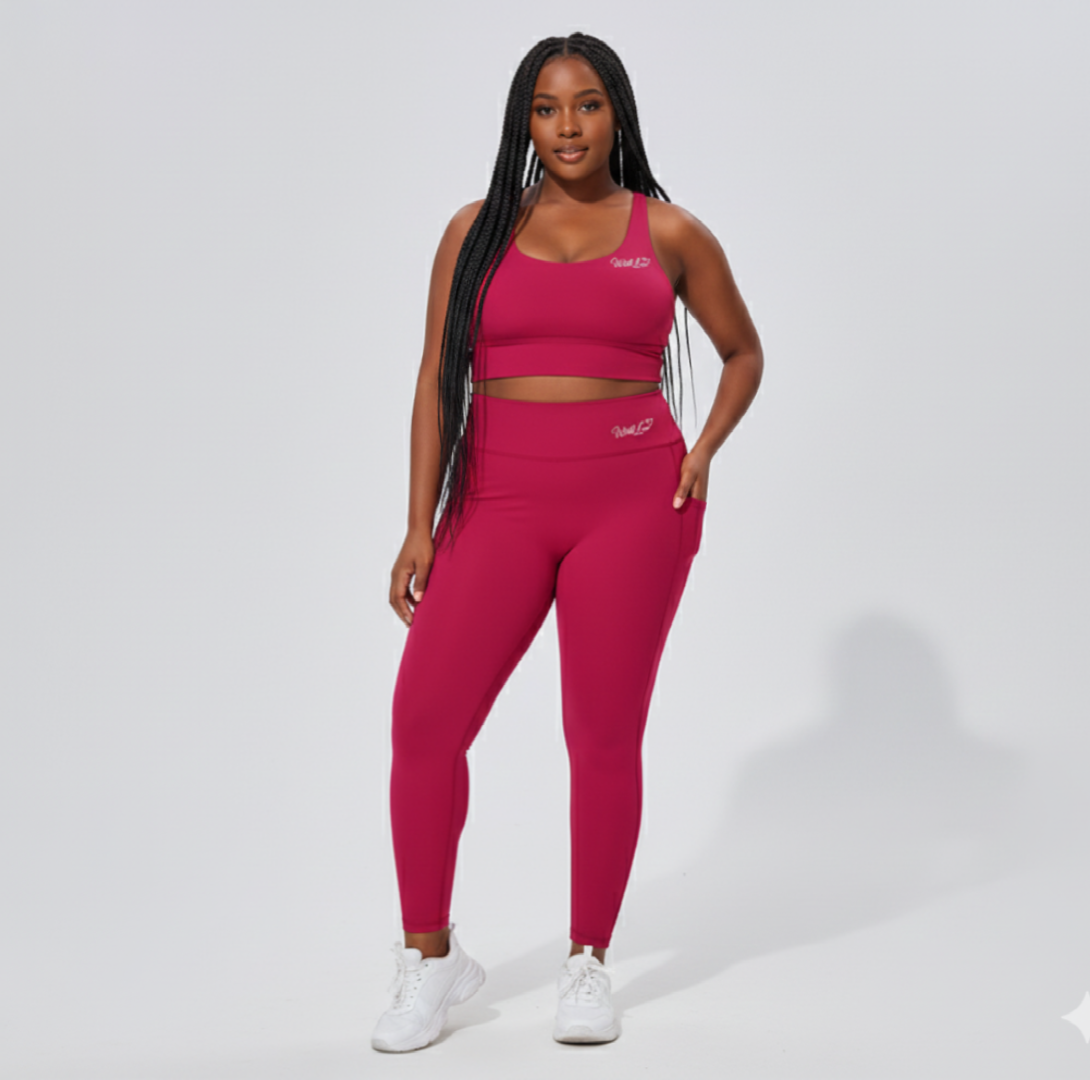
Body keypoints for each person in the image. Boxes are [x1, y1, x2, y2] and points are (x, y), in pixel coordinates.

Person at [371, 32, 762, 1053]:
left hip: (633, 503)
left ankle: (587, 960)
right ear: (524, 122)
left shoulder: (668, 231)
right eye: (546, 109)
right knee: (424, 723)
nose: (567, 127)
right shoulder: (475, 231)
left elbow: (742, 352)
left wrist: (703, 449)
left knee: (600, 735)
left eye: (586, 105)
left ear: (616, 112)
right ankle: (430, 959)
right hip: (494, 499)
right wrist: (417, 523)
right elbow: (435, 378)